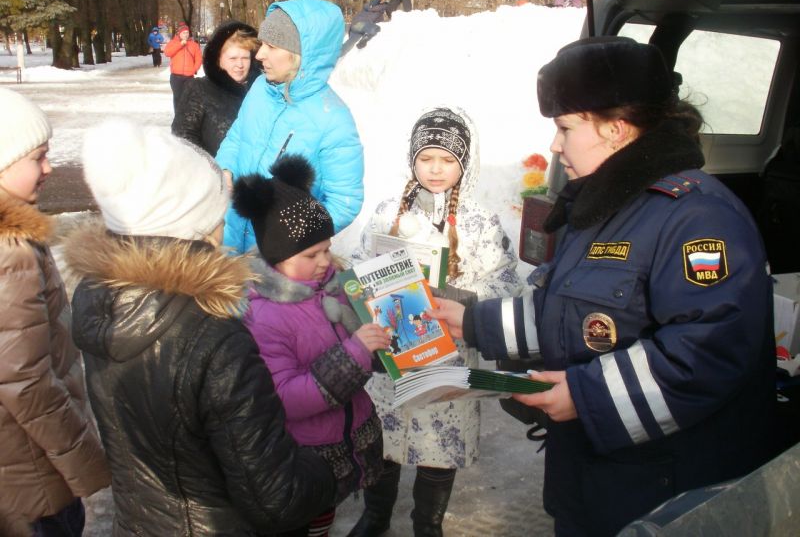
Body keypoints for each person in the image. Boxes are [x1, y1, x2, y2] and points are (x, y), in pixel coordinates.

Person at [427, 37, 776, 537]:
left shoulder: (698, 217)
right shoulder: (603, 205)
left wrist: (587, 397)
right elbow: (573, 313)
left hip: (663, 493)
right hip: (596, 479)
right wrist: (471, 321)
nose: (554, 145)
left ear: (616, 128)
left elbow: (709, 352)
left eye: (565, 128)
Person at [65, 121, 336, 536]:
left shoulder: (97, 297)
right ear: (196, 225)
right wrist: (327, 470)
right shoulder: (213, 336)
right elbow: (274, 496)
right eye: (216, 213)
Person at [348, 107, 524, 537]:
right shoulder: (389, 211)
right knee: (384, 439)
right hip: (393, 349)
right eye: (427, 158)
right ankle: (376, 516)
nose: (436, 169)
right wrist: (372, 293)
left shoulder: (479, 221)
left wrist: (459, 300)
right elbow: (359, 265)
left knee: (440, 444)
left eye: (447, 160)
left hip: (449, 349)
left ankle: (428, 524)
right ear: (413, 160)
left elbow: (505, 282)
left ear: (462, 163)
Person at [232, 154, 390, 537]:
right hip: (305, 457)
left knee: (324, 521)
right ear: (277, 256)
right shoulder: (265, 315)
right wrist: (355, 353)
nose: (324, 262)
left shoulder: (336, 286)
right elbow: (283, 396)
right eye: (310, 255)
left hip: (344, 445)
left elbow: (374, 345)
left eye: (326, 248)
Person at [0, 87, 110, 537]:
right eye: (38, 157)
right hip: (31, 470)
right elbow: (23, 380)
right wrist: (82, 457)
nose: (49, 168)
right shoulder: (13, 251)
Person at [216, 0, 364, 254]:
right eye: (262, 44)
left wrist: (290, 237)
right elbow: (238, 137)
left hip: (280, 264)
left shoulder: (333, 119)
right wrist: (226, 168)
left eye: (271, 46)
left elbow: (344, 202)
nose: (259, 54)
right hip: (228, 240)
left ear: (301, 54)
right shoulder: (260, 89)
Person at [171, 20, 260, 156]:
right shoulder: (199, 89)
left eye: (245, 58)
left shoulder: (261, 91)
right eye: (233, 58)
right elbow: (183, 139)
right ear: (219, 59)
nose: (240, 64)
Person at [164, 22, 203, 113]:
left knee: (188, 98)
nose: (186, 35)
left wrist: (194, 69)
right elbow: (167, 53)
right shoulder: (173, 43)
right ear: (179, 33)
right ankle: (178, 117)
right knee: (177, 98)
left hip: (189, 77)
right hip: (176, 76)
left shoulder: (194, 45)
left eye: (187, 33)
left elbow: (199, 59)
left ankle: (186, 119)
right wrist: (180, 44)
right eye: (183, 33)